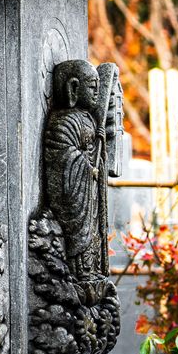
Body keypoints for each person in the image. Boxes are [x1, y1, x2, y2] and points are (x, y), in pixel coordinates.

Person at [41, 58, 106, 280]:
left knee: (93, 239)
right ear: (74, 88)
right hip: (78, 198)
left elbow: (92, 152)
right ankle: (79, 271)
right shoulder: (65, 121)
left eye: (98, 86)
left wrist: (100, 145)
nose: (96, 92)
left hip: (90, 198)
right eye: (91, 86)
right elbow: (63, 159)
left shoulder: (88, 118)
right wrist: (87, 168)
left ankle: (90, 270)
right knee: (81, 245)